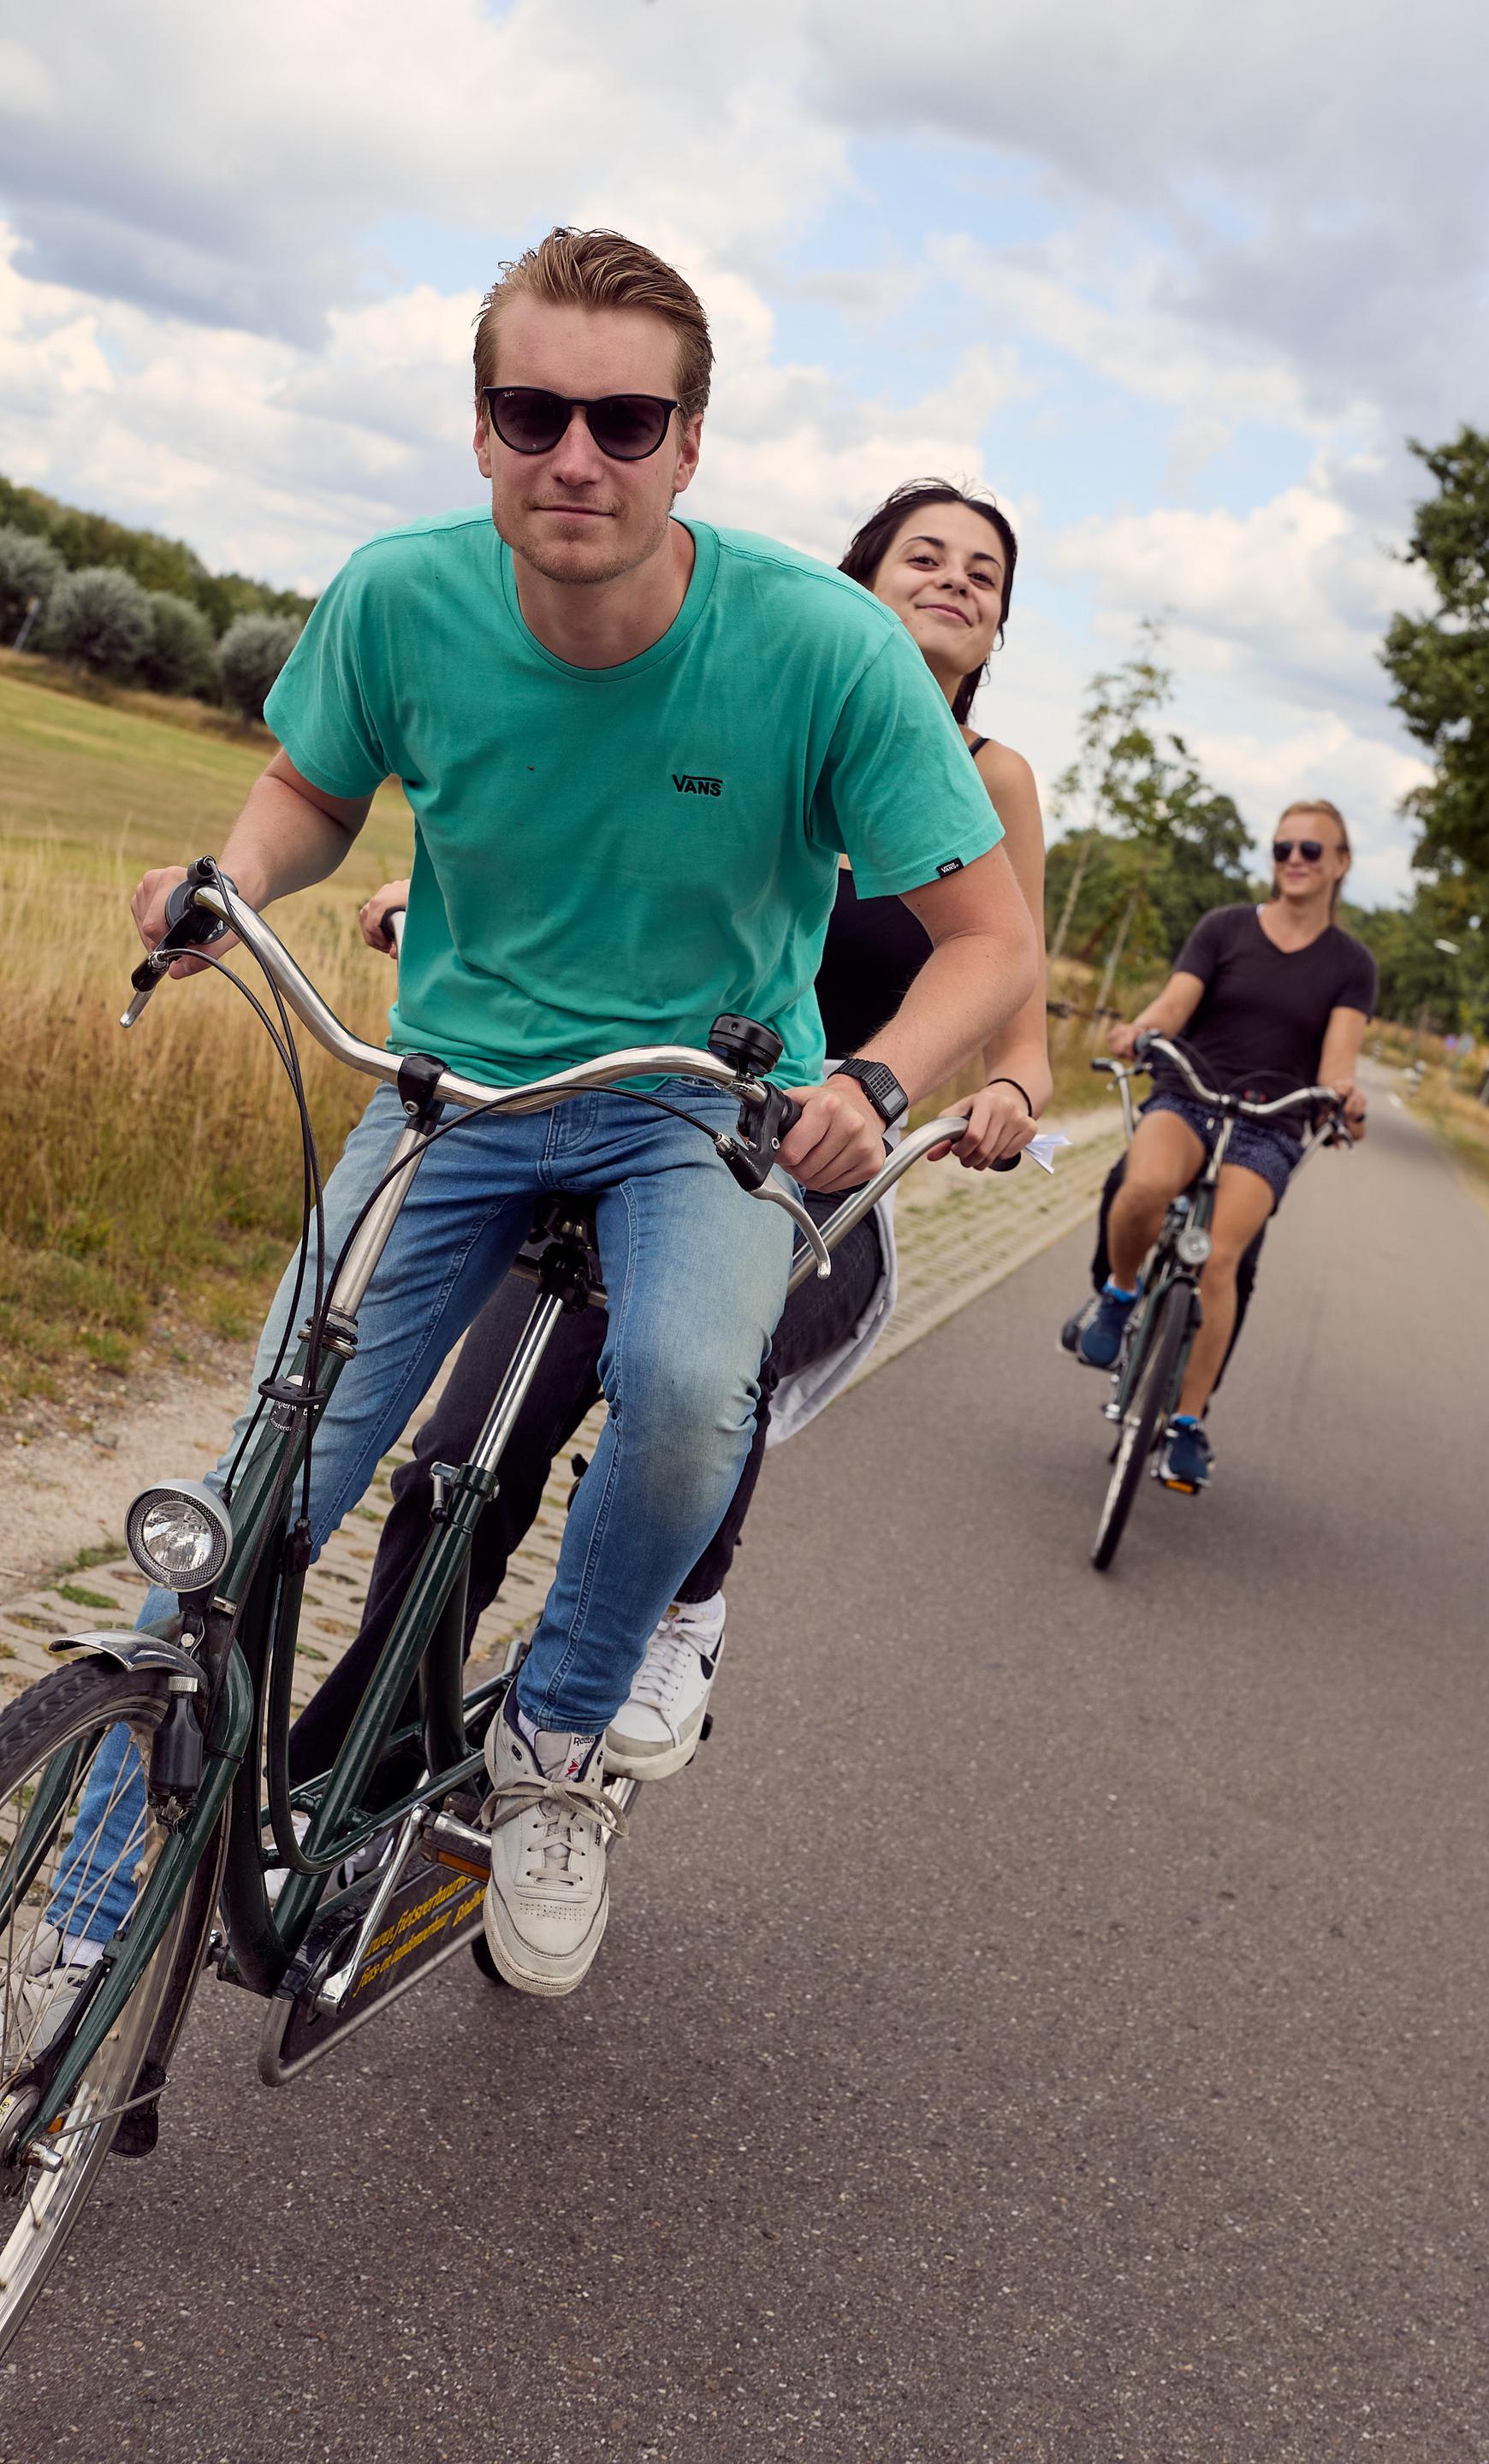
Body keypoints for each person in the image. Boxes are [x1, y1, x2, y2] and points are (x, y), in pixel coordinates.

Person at [41, 230, 1037, 2005]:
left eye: (626, 419)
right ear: (484, 431)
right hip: (450, 1095)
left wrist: (872, 1083)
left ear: (691, 443)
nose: (578, 455)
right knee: (273, 1465)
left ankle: (560, 1741)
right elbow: (307, 789)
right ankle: (75, 1913)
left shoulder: (822, 649)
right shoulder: (400, 597)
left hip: (695, 1108)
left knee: (676, 1390)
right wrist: (232, 880)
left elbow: (990, 938)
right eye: (534, 411)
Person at [288, 480, 1051, 1806]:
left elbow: (1014, 1001)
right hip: (614, 1115)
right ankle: (364, 1757)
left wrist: (1007, 1098)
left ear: (999, 631)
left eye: (984, 574)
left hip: (809, 1172)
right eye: (924, 556)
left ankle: (651, 1642)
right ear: (852, 589)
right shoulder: (774, 713)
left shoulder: (994, 788)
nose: (955, 581)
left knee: (680, 1379)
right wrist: (451, 893)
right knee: (465, 1457)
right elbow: (604, 866)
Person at [1062, 800, 1373, 1490]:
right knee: (1142, 1187)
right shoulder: (1225, 928)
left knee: (1221, 1259)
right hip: (1189, 1094)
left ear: (1340, 866)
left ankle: (1187, 1425)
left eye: (1312, 850)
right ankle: (1116, 1296)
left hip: (1271, 1121)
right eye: (1284, 846)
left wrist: (1345, 1098)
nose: (1294, 858)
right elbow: (1174, 1006)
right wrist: (1140, 1030)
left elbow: (1336, 1065)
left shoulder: (1351, 964)